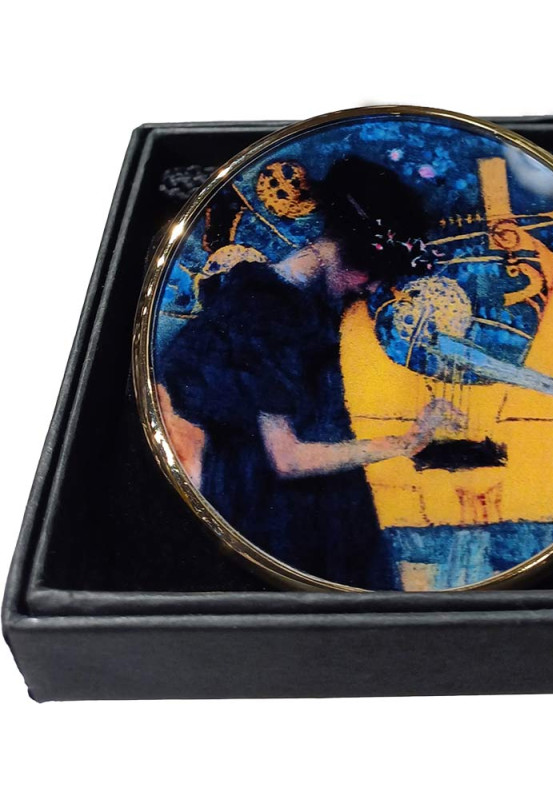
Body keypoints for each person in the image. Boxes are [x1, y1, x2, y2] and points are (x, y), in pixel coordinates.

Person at [157, 156, 460, 588]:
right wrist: (405, 442)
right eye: (375, 275)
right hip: (283, 518)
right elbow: (288, 458)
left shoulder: (291, 305)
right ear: (351, 252)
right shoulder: (269, 313)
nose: (373, 288)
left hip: (306, 507)